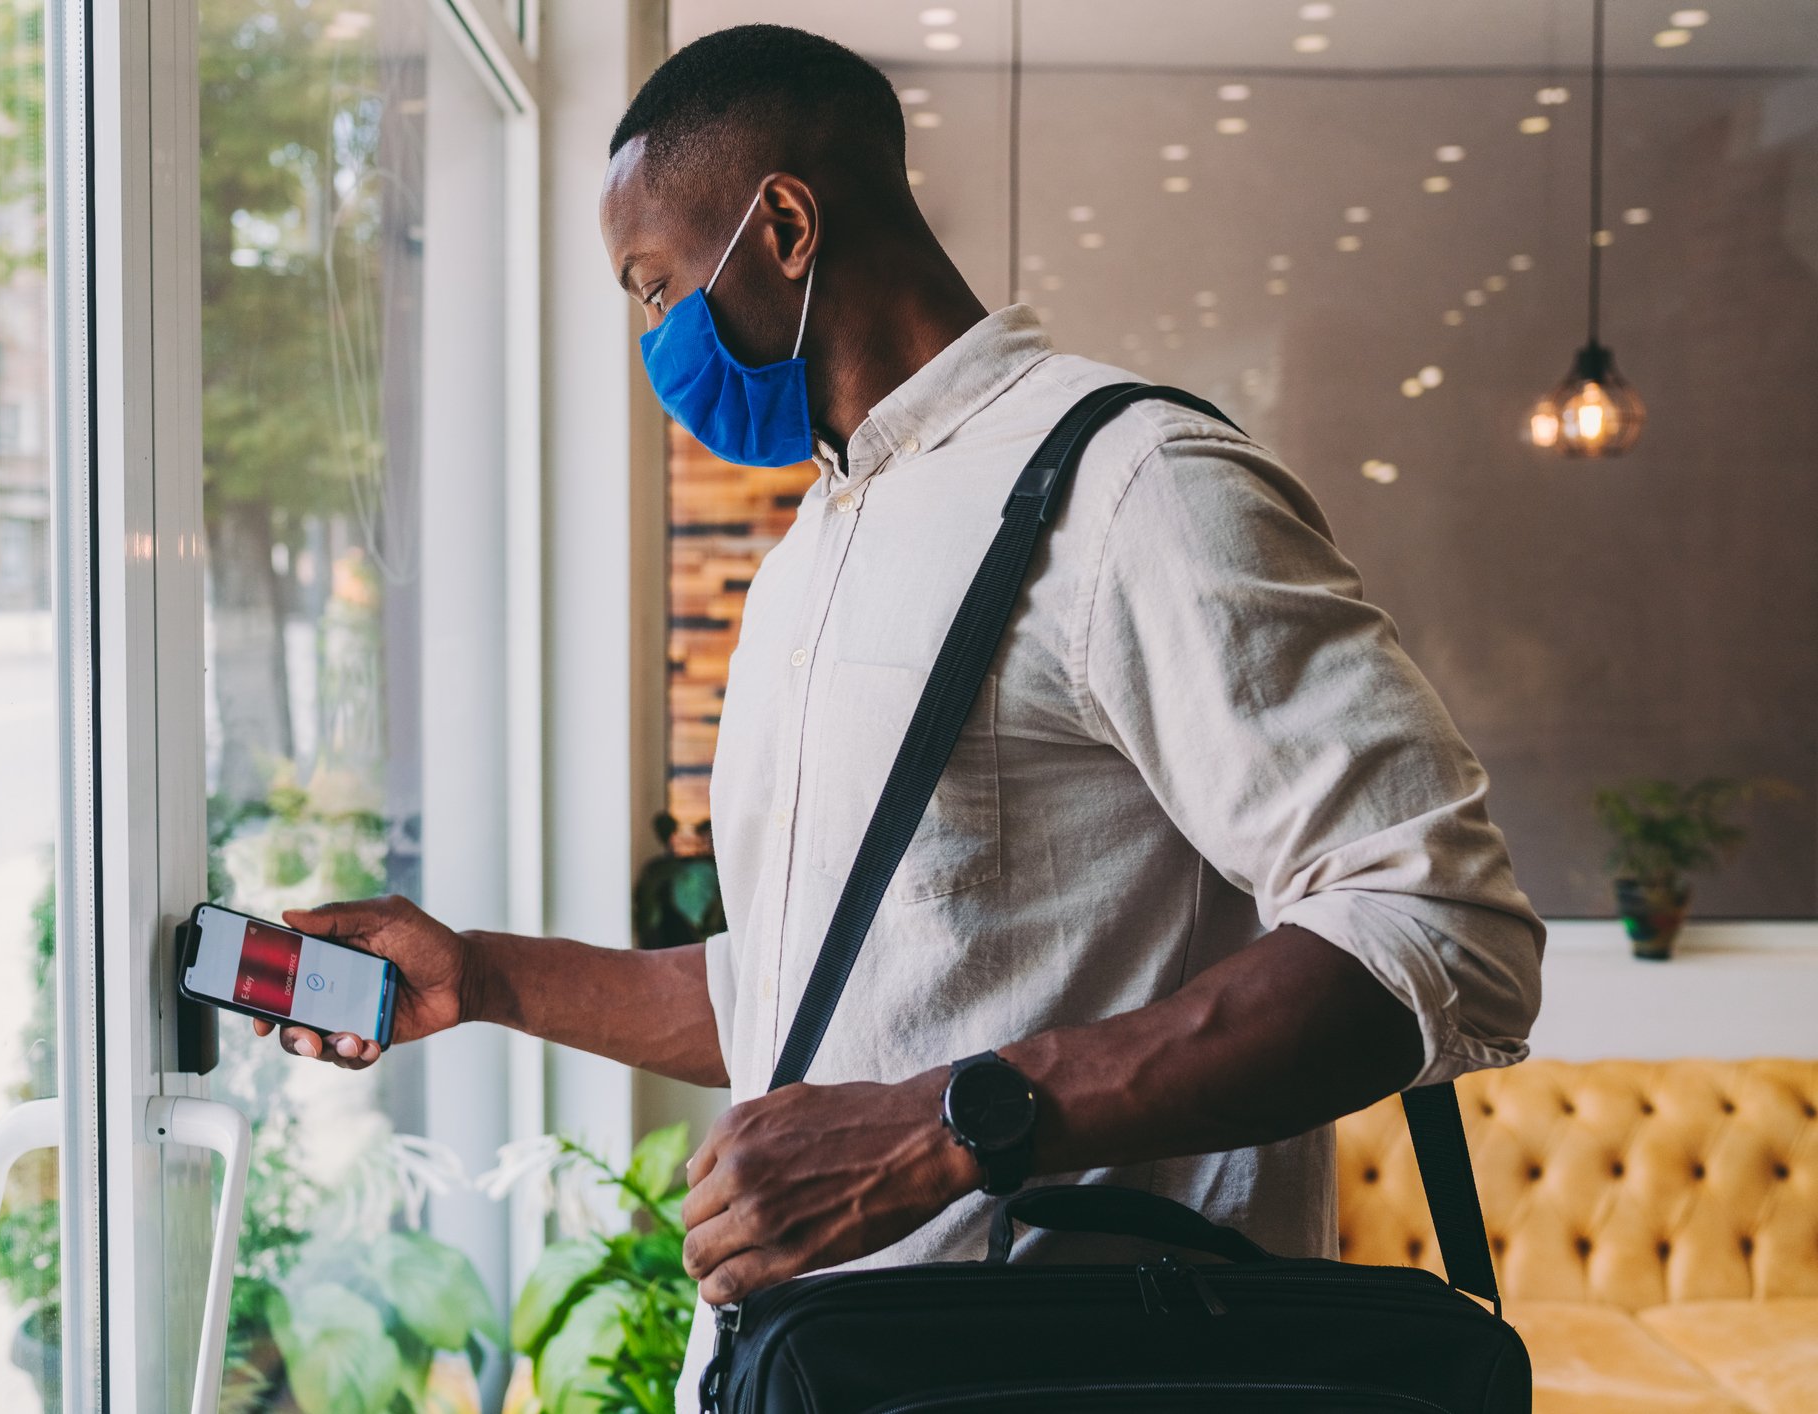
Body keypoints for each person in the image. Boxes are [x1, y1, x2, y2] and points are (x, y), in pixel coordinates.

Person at [255, 22, 1544, 1409]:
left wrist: (949, 1127)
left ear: (788, 225)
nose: (654, 336)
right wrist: (484, 976)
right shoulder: (811, 553)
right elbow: (817, 994)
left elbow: (1440, 930)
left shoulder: (1139, 486)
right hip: (822, 1372)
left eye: (654, 285)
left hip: (1073, 1372)